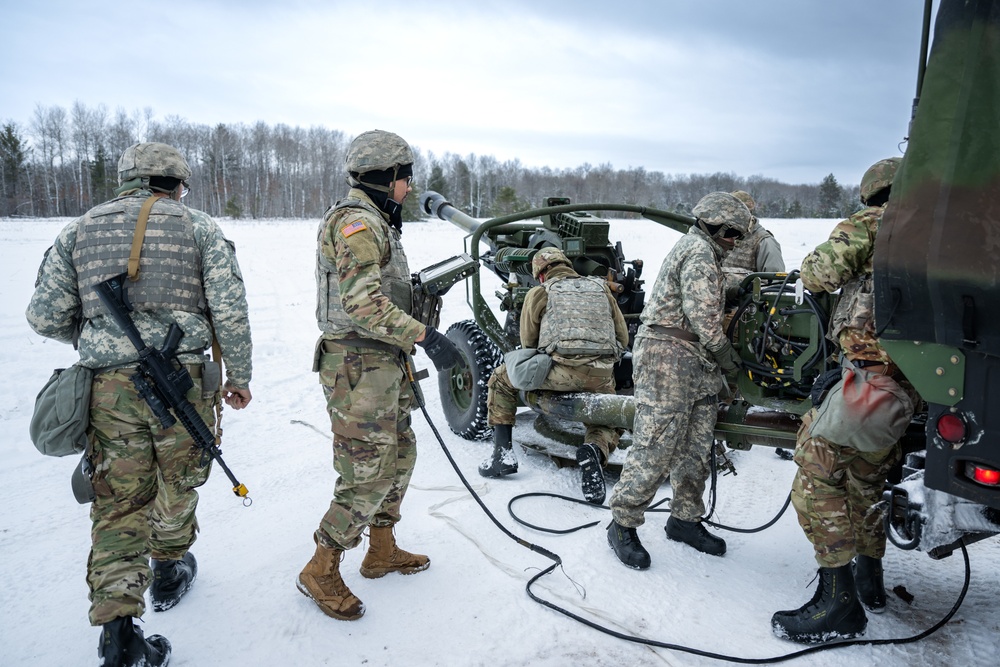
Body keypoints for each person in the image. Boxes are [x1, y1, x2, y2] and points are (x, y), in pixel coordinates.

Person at [26, 142, 254, 667]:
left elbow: (44, 318)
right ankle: (170, 567)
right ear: (176, 184)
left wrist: (101, 339)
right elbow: (230, 311)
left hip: (105, 390)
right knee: (179, 479)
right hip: (184, 382)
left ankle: (120, 639)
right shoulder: (199, 227)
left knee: (118, 503)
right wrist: (237, 377)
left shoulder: (78, 230)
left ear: (126, 181)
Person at [298, 129, 462, 621]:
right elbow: (361, 302)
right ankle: (321, 567)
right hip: (357, 365)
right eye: (405, 180)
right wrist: (427, 337)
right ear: (388, 178)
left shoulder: (378, 222)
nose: (409, 189)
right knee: (366, 472)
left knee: (400, 455)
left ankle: (381, 549)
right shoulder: (357, 224)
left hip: (384, 361)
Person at [771, 157, 915, 644]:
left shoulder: (878, 222)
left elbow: (817, 273)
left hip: (870, 383)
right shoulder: (946, 237)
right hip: (909, 387)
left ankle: (839, 603)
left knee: (814, 477)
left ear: (874, 193)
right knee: (866, 479)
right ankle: (869, 581)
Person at [606, 192, 750, 569]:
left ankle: (685, 519)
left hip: (693, 359)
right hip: (669, 356)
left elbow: (703, 296)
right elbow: (702, 317)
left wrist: (736, 289)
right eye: (732, 234)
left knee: (697, 446)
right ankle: (621, 523)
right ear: (715, 227)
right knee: (656, 442)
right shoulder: (700, 252)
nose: (735, 242)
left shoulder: (703, 251)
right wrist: (727, 359)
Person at [478, 247, 630, 504]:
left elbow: (528, 344)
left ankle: (502, 456)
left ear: (540, 275)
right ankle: (594, 450)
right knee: (606, 416)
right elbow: (622, 338)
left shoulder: (540, 292)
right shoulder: (602, 288)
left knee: (501, 378)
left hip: (560, 373)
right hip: (601, 375)